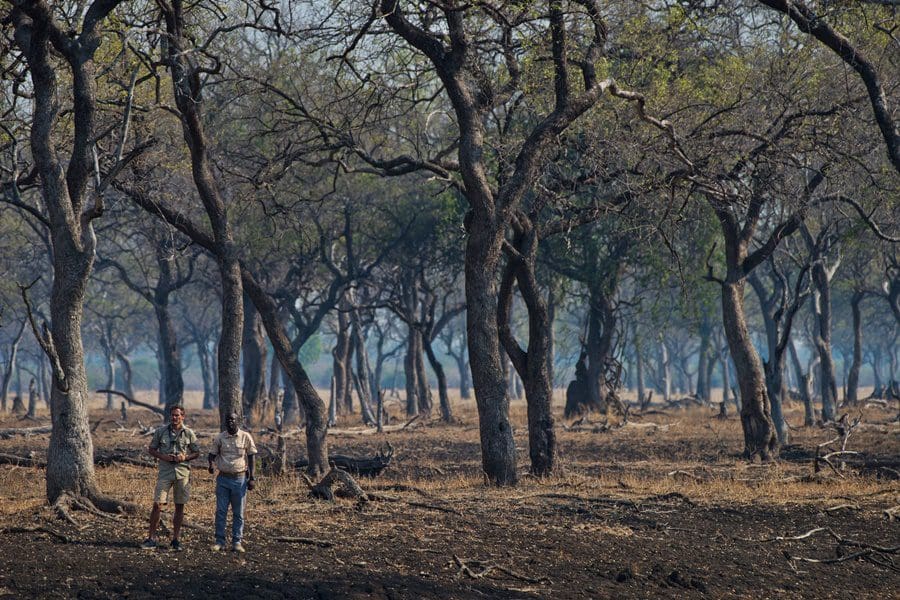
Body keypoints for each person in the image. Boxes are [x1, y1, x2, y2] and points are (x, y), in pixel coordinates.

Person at [142, 406, 200, 551]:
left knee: (179, 506)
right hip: (165, 472)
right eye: (172, 415)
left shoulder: (189, 433)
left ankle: (175, 539)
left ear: (183, 416)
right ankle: (151, 538)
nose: (174, 418)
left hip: (182, 473)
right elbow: (151, 449)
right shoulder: (161, 431)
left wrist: (185, 457)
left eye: (177, 415)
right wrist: (164, 457)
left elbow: (197, 452)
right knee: (158, 504)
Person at [208, 412, 258, 553]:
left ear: (238, 421)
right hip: (223, 479)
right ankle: (219, 541)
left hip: (239, 479)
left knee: (239, 512)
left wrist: (252, 478)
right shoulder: (220, 438)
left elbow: (252, 457)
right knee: (221, 511)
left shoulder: (245, 437)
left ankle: (237, 541)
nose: (230, 422)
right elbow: (211, 455)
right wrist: (211, 465)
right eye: (228, 419)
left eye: (233, 420)